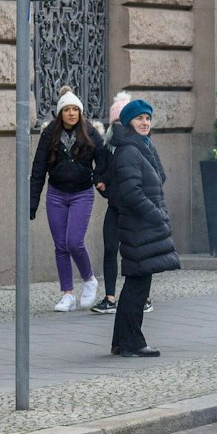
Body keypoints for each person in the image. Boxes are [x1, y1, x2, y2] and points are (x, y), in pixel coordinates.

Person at [108, 99, 179, 357]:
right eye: (139, 118)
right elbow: (131, 193)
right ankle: (133, 342)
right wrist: (156, 214)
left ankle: (121, 341)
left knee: (136, 284)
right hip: (139, 226)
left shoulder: (141, 147)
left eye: (148, 118)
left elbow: (159, 177)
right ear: (129, 122)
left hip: (142, 227)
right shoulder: (129, 151)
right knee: (137, 286)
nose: (145, 122)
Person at [28, 88, 108, 311]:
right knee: (61, 246)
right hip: (56, 194)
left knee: (74, 242)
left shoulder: (89, 131)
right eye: (66, 109)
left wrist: (99, 179)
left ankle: (89, 279)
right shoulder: (50, 133)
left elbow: (103, 160)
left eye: (75, 109)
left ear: (80, 112)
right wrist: (32, 202)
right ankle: (68, 294)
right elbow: (38, 168)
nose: (71, 113)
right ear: (60, 112)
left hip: (82, 193)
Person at [90, 91, 132, 313]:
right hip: (114, 207)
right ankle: (110, 297)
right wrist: (101, 185)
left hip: (134, 208)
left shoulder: (139, 147)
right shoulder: (107, 148)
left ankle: (142, 296)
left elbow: (157, 175)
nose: (120, 128)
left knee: (134, 251)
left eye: (124, 123)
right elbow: (100, 172)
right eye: (116, 123)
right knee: (109, 248)